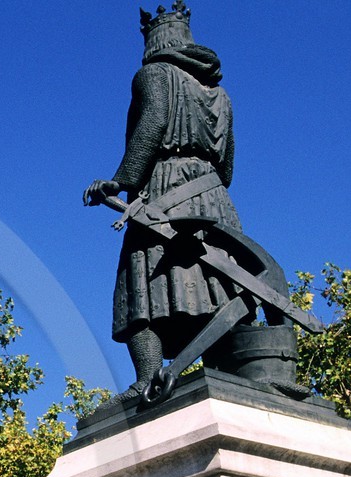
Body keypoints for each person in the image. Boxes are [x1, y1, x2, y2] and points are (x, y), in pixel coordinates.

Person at [83, 0, 242, 403]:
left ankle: (147, 379)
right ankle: (226, 372)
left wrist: (121, 181)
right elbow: (227, 167)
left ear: (154, 40)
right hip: (213, 200)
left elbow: (152, 123)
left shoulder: (152, 74)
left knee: (141, 288)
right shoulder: (219, 94)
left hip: (164, 192)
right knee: (219, 286)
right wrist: (207, 188)